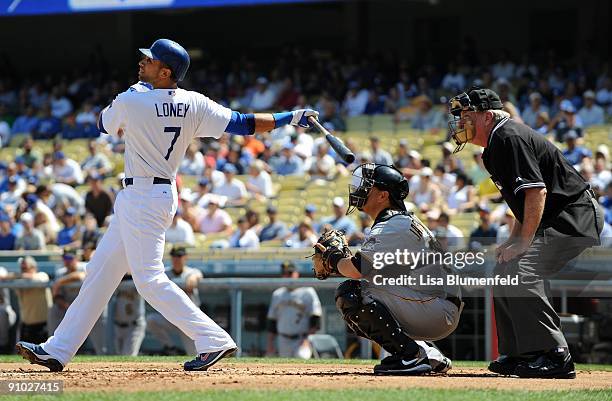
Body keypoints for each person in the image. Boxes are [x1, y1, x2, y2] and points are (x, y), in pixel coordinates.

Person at [16, 38, 319, 372]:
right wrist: (290, 116)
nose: (142, 63)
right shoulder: (193, 102)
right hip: (155, 194)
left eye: (150, 60)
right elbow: (243, 123)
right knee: (100, 272)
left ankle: (213, 339)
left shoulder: (133, 99)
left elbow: (102, 124)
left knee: (148, 279)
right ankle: (58, 349)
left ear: (166, 71)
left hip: (142, 196)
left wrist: (130, 94)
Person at [448, 86, 604, 379]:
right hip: (556, 217)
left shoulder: (509, 136)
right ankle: (520, 352)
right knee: (505, 269)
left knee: (523, 269)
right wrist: (514, 240)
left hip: (575, 215)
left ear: (485, 116)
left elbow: (536, 192)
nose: (459, 123)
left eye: (465, 115)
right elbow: (523, 204)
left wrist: (525, 242)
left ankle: (555, 355)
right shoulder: (493, 147)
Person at [313, 164, 461, 375]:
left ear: (382, 196)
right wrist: (338, 263)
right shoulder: (399, 220)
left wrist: (332, 257)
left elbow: (357, 270)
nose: (359, 191)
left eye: (367, 187)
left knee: (352, 293)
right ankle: (427, 354)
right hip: (435, 304)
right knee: (364, 287)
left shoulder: (393, 224)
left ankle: (409, 356)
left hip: (436, 308)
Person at [47, 248, 107, 355]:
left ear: (76, 258)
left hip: (90, 308)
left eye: (70, 258)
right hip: (69, 308)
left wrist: (60, 282)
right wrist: (68, 307)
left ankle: (103, 356)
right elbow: (57, 296)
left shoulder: (84, 266)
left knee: (101, 346)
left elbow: (80, 275)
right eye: (65, 258)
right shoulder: (61, 272)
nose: (67, 261)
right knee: (54, 310)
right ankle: (52, 349)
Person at [146, 246, 203, 356]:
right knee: (151, 320)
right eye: (174, 256)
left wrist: (194, 277)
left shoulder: (191, 272)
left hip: (189, 319)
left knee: (194, 354)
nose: (176, 259)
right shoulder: (165, 274)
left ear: (185, 257)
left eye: (179, 256)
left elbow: (198, 274)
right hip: (172, 317)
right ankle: (170, 347)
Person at [266, 262, 322, 358]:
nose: (287, 276)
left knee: (302, 358)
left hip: (301, 339)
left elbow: (316, 320)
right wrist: (270, 343)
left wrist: (307, 339)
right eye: (285, 274)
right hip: (283, 339)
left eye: (290, 273)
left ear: (297, 274)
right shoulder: (277, 294)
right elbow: (272, 322)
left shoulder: (308, 292)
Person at [10, 257, 53, 344]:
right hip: (25, 325)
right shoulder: (20, 281)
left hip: (43, 325)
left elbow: (41, 279)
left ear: (34, 268)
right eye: (22, 268)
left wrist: (18, 275)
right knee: (22, 354)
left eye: (25, 268)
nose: (23, 271)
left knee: (42, 355)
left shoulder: (42, 275)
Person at [112, 274, 146, 356]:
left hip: (134, 326)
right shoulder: (116, 278)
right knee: (118, 357)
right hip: (117, 326)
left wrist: (117, 283)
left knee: (128, 355)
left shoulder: (137, 278)